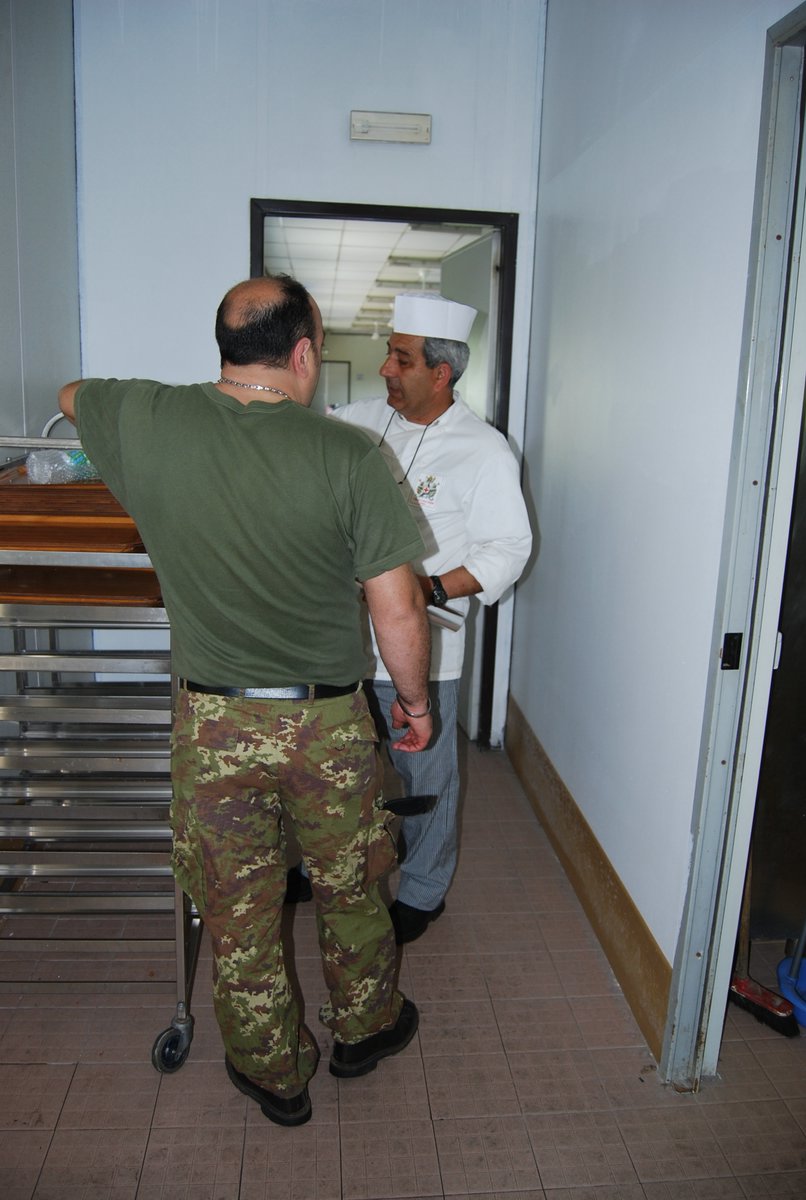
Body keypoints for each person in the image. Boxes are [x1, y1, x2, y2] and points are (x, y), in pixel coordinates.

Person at [57, 274, 433, 1127]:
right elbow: (399, 609)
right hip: (328, 723)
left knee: (236, 904)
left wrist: (154, 405)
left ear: (226, 348)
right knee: (352, 887)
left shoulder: (148, 418)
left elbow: (71, 394)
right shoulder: (348, 454)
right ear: (303, 354)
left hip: (213, 723)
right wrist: (415, 706)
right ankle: (365, 1031)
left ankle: (274, 1073)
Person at [326, 291, 532, 944]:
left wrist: (427, 588)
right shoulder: (358, 421)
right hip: (337, 641)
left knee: (425, 774)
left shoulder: (485, 451)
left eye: (402, 359)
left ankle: (422, 890)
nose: (385, 369)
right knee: (332, 766)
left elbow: (509, 548)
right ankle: (323, 869)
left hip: (422, 647)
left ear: (441, 373)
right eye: (389, 354)